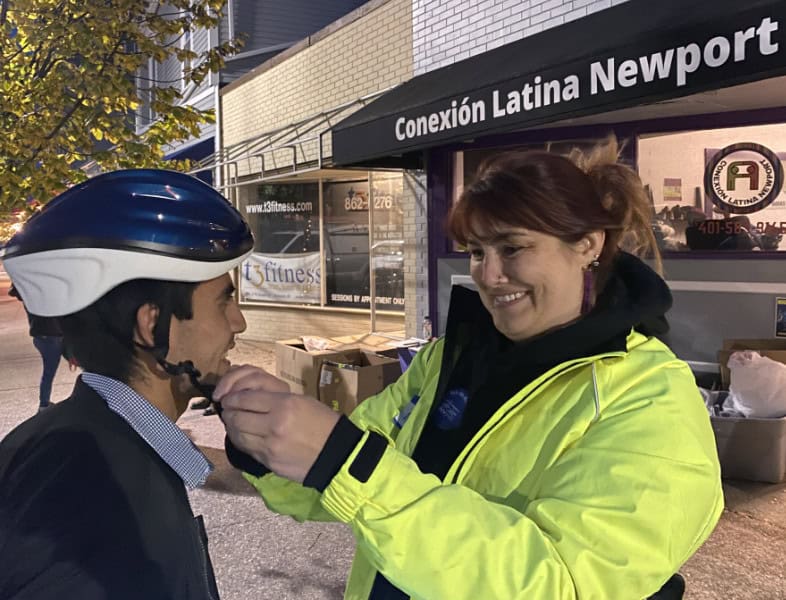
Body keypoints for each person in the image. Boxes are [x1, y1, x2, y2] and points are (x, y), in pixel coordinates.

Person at [216, 137, 724, 599]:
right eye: (477, 251)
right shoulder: (450, 358)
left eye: (513, 247)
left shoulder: (650, 397)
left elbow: (562, 584)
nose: (489, 274)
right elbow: (343, 480)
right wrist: (266, 442)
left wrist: (351, 462)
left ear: (588, 244)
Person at [0, 169, 253, 599]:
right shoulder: (98, 494)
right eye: (224, 300)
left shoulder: (80, 445)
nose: (239, 323)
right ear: (152, 328)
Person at [8, 283, 66, 412]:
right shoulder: (44, 295)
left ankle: (44, 404)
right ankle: (44, 405)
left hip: (41, 336)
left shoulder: (28, 294)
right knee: (50, 373)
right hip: (52, 337)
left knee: (49, 372)